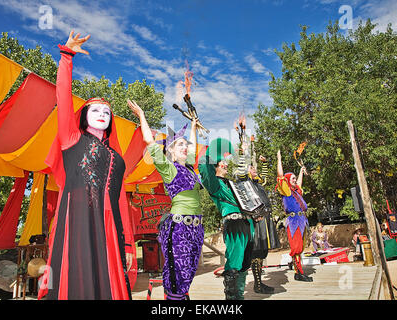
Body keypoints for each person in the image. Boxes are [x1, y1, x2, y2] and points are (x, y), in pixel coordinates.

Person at [38, 31, 136, 300]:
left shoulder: (118, 158)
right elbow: (64, 97)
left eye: (107, 113)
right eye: (96, 110)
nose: (102, 114)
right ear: (84, 116)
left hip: (109, 225)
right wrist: (67, 57)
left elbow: (122, 204)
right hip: (77, 220)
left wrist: (128, 243)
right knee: (78, 281)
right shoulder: (72, 139)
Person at [128, 99, 204, 300]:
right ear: (170, 150)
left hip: (196, 226)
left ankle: (181, 297)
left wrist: (194, 127)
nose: (185, 147)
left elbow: (194, 147)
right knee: (177, 272)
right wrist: (142, 115)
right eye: (180, 145)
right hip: (179, 227)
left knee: (188, 272)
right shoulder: (168, 168)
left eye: (185, 145)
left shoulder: (189, 168)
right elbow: (149, 141)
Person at [198, 138, 254, 300]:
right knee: (235, 261)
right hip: (234, 224)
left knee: (245, 263)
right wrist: (213, 152)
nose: (227, 164)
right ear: (216, 166)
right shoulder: (214, 184)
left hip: (247, 223)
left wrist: (243, 152)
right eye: (223, 162)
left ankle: (240, 297)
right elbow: (204, 167)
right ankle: (232, 300)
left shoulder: (232, 183)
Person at [236, 152, 280, 294]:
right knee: (256, 251)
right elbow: (241, 172)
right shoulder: (243, 180)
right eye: (252, 168)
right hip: (256, 219)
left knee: (262, 251)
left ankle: (259, 283)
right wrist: (242, 154)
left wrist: (265, 163)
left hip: (265, 218)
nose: (255, 171)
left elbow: (265, 178)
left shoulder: (257, 182)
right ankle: (258, 285)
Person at [275, 150, 312, 282]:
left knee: (300, 247)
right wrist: (279, 159)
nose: (295, 180)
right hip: (294, 220)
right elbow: (280, 175)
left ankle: (298, 271)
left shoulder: (297, 191)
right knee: (296, 248)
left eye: (295, 178)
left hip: (302, 220)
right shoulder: (286, 190)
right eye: (293, 178)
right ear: (287, 181)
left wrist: (301, 171)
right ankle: (298, 272)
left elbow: (300, 184)